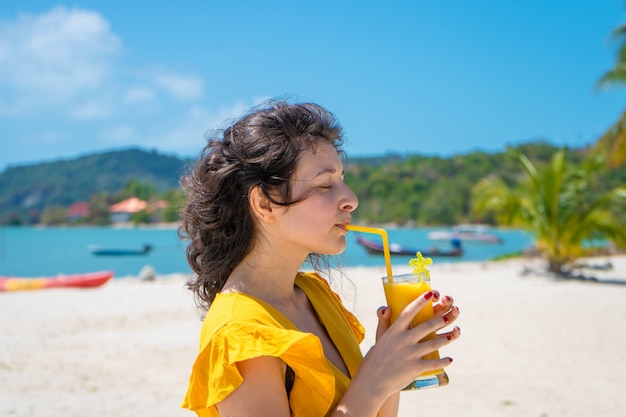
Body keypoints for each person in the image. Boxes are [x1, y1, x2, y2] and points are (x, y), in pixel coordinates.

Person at [179, 100, 461, 417]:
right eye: (325, 184)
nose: (351, 199)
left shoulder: (315, 295)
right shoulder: (239, 333)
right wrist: (375, 380)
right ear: (265, 204)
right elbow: (367, 395)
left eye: (341, 180)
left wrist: (392, 361)